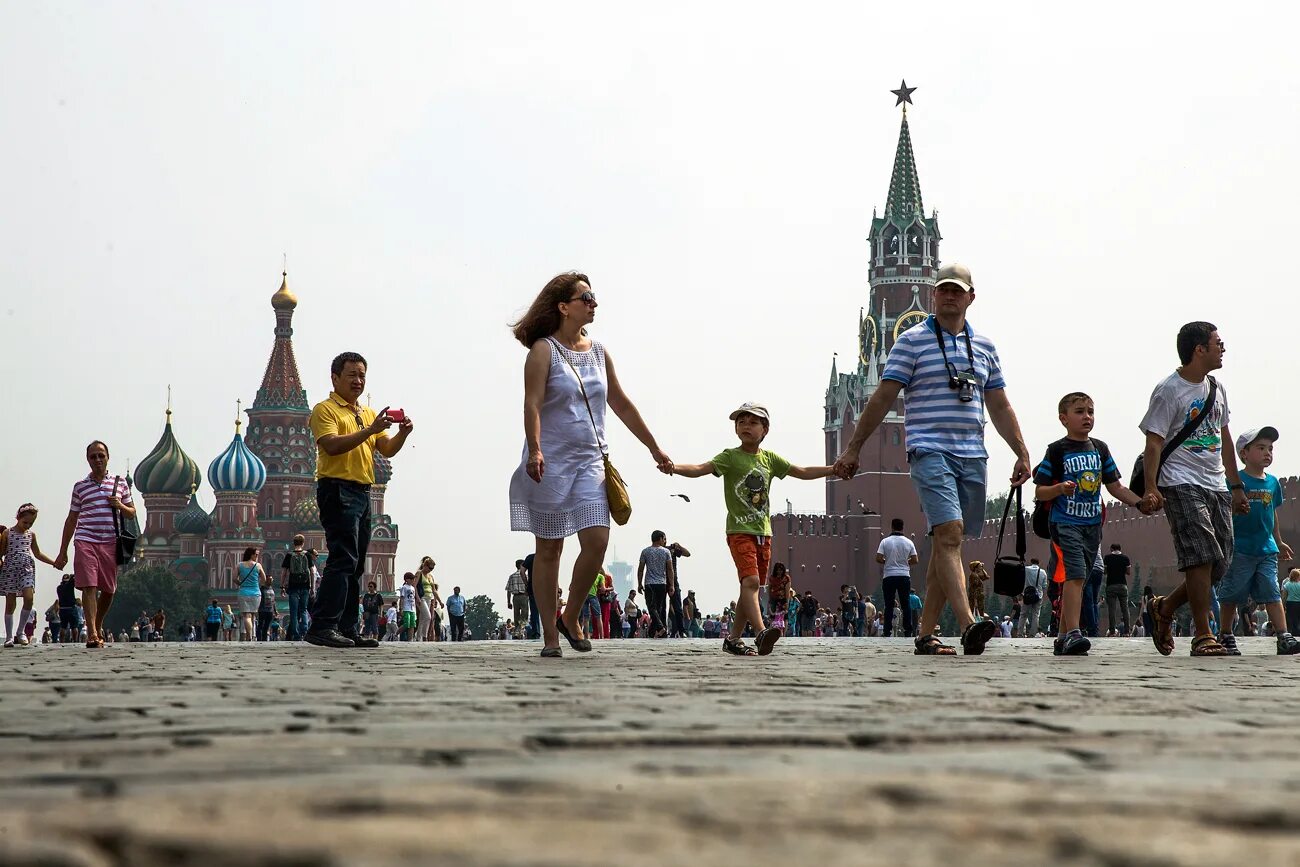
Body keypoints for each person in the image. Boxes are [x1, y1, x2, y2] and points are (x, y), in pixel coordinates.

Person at [833, 263, 1030, 656]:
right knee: (951, 533)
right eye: (943, 289)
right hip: (928, 449)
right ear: (932, 295)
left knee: (945, 542)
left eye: (958, 290)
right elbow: (884, 396)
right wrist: (854, 447)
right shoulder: (911, 341)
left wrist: (1022, 451)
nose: (950, 295)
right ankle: (970, 624)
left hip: (973, 454)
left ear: (971, 297)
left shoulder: (986, 347)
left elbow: (999, 404)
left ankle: (925, 634)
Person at [508, 272, 673, 658]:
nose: (594, 303)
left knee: (597, 542)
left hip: (591, 462)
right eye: (587, 297)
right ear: (564, 306)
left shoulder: (599, 352)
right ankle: (550, 634)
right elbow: (531, 404)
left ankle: (572, 615)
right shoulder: (542, 351)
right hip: (550, 461)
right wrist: (535, 449)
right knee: (549, 550)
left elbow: (621, 403)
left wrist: (653, 447)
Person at [671, 402, 835, 655]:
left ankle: (733, 638)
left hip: (764, 532)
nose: (745, 426)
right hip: (739, 530)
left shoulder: (769, 459)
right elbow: (700, 469)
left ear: (765, 429)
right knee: (751, 582)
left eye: (752, 422)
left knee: (750, 587)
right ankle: (760, 633)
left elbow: (801, 471)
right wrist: (674, 467)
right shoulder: (730, 456)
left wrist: (833, 469)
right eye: (741, 421)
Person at [1140, 322, 1248, 657]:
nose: (1222, 348)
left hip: (1215, 484)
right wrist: (1150, 487)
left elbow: (1224, 438)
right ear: (1199, 349)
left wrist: (1235, 485)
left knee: (1220, 561)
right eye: (1218, 342)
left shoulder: (1217, 388)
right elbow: (1154, 443)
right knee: (1200, 555)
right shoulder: (1168, 390)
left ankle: (1165, 607)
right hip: (1180, 481)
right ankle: (1203, 634)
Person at [306, 351, 414, 649]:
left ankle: (348, 627)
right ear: (335, 378)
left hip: (362, 491)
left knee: (355, 565)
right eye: (352, 375)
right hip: (337, 488)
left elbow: (387, 449)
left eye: (362, 375)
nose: (358, 381)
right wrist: (369, 430)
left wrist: (403, 433)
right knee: (341, 559)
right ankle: (322, 626)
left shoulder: (366, 413)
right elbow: (330, 445)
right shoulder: (325, 410)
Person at [1034, 392, 1143, 655]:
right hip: (1065, 523)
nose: (1087, 417)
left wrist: (1139, 503)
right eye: (1080, 411)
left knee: (1078, 580)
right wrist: (1059, 488)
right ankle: (1074, 632)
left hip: (1092, 525)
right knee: (1077, 574)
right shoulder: (1057, 450)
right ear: (1064, 418)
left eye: (1090, 411)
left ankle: (1062, 636)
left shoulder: (1100, 448)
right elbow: (1040, 491)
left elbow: (1115, 486)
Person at [1215, 428, 1299, 655]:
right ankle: (1225, 634)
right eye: (1261, 448)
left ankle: (1283, 636)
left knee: (1272, 592)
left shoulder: (1272, 483)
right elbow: (1222, 511)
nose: (1267, 453)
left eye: (1270, 449)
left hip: (1266, 549)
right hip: (1239, 549)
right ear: (1244, 453)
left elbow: (1272, 513)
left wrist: (1279, 541)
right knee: (1231, 594)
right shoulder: (1234, 481)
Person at [53, 441, 136, 648]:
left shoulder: (120, 483)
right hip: (85, 539)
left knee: (109, 590)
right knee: (89, 585)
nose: (97, 460)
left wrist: (120, 505)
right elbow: (72, 519)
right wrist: (62, 551)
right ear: (88, 460)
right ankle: (92, 634)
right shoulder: (80, 487)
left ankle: (97, 624)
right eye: (93, 456)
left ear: (108, 457)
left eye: (101, 455)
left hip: (110, 541)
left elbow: (132, 512)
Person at [1, 505, 58, 647]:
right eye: (25, 522)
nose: (27, 525)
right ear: (18, 518)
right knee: (10, 602)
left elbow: (38, 553)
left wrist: (54, 562)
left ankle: (20, 632)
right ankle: (9, 636)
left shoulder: (31, 535)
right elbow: (1, 553)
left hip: (27, 568)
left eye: (30, 523)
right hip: (10, 568)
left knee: (29, 598)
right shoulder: (8, 533)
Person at [877, 519, 919, 638]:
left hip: (889, 576)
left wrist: (887, 562)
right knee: (905, 604)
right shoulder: (908, 542)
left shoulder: (885, 542)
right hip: (904, 575)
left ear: (892, 527)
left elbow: (878, 558)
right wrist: (905, 563)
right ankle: (908, 631)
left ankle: (887, 631)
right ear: (902, 527)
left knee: (889, 604)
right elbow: (915, 560)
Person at [637, 531, 676, 639]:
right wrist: (671, 585)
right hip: (662, 583)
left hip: (649, 583)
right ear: (660, 538)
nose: (665, 541)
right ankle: (655, 631)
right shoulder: (666, 552)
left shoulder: (645, 551)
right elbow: (670, 569)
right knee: (658, 609)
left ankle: (660, 627)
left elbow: (641, 569)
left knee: (652, 607)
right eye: (664, 539)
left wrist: (639, 583)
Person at [280, 534, 313, 641]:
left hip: (293, 586)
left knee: (293, 612)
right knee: (303, 610)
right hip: (305, 586)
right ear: (303, 543)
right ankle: (304, 630)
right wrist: (311, 586)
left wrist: (282, 586)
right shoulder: (307, 555)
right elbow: (312, 572)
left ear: (294, 543)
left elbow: (284, 573)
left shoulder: (289, 555)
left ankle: (296, 634)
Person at [234, 547, 264, 641]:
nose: (257, 556)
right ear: (251, 554)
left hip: (243, 592)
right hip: (256, 593)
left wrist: (240, 584)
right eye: (256, 554)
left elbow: (234, 578)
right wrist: (257, 585)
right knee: (252, 615)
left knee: (246, 615)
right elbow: (264, 579)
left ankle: (249, 636)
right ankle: (252, 635)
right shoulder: (258, 566)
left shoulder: (239, 565)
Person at [1103, 543, 1132, 637]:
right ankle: (1127, 631)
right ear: (1120, 549)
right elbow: (1128, 572)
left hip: (1111, 585)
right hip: (1123, 585)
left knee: (1112, 609)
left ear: (1111, 549)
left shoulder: (1107, 558)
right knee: (1125, 609)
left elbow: (1105, 572)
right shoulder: (1125, 558)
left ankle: (1112, 631)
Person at [1019, 558, 1047, 638]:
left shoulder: (1026, 569)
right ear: (1039, 563)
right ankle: (1033, 634)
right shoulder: (1043, 572)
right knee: (1036, 614)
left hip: (1026, 594)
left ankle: (1020, 633)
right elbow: (1044, 585)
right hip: (1038, 596)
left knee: (1023, 614)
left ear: (1031, 562)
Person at [668, 541, 691, 638]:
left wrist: (679, 546)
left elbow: (688, 554)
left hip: (674, 580)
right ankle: (661, 629)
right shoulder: (657, 551)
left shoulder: (671, 549)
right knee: (661, 607)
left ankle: (681, 631)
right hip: (662, 580)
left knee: (677, 607)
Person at [506, 560, 530, 640]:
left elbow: (508, 590)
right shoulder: (526, 575)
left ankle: (517, 631)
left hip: (515, 597)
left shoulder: (512, 576)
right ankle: (519, 630)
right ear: (521, 565)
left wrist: (508, 602)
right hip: (524, 596)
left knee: (516, 615)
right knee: (524, 615)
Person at [415, 556, 436, 642]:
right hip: (421, 597)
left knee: (422, 618)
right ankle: (425, 636)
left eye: (432, 569)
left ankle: (418, 637)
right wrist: (417, 598)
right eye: (430, 568)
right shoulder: (419, 573)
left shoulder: (430, 576)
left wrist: (439, 601)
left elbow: (434, 590)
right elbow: (414, 586)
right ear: (425, 565)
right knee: (428, 616)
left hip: (429, 598)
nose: (431, 570)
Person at [768, 563, 791, 634]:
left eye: (781, 570)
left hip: (783, 599)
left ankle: (783, 633)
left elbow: (787, 590)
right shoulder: (772, 577)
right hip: (774, 598)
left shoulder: (786, 578)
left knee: (785, 617)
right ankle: (771, 632)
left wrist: (787, 602)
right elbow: (769, 588)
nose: (779, 572)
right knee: (772, 616)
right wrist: (770, 599)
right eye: (778, 570)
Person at [398, 572, 418, 641]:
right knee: (407, 624)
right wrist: (401, 608)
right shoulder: (404, 587)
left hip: (412, 608)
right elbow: (402, 598)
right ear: (407, 579)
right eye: (411, 578)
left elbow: (414, 599)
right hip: (406, 608)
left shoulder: (413, 588)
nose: (413, 580)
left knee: (412, 625)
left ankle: (410, 639)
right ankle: (395, 634)